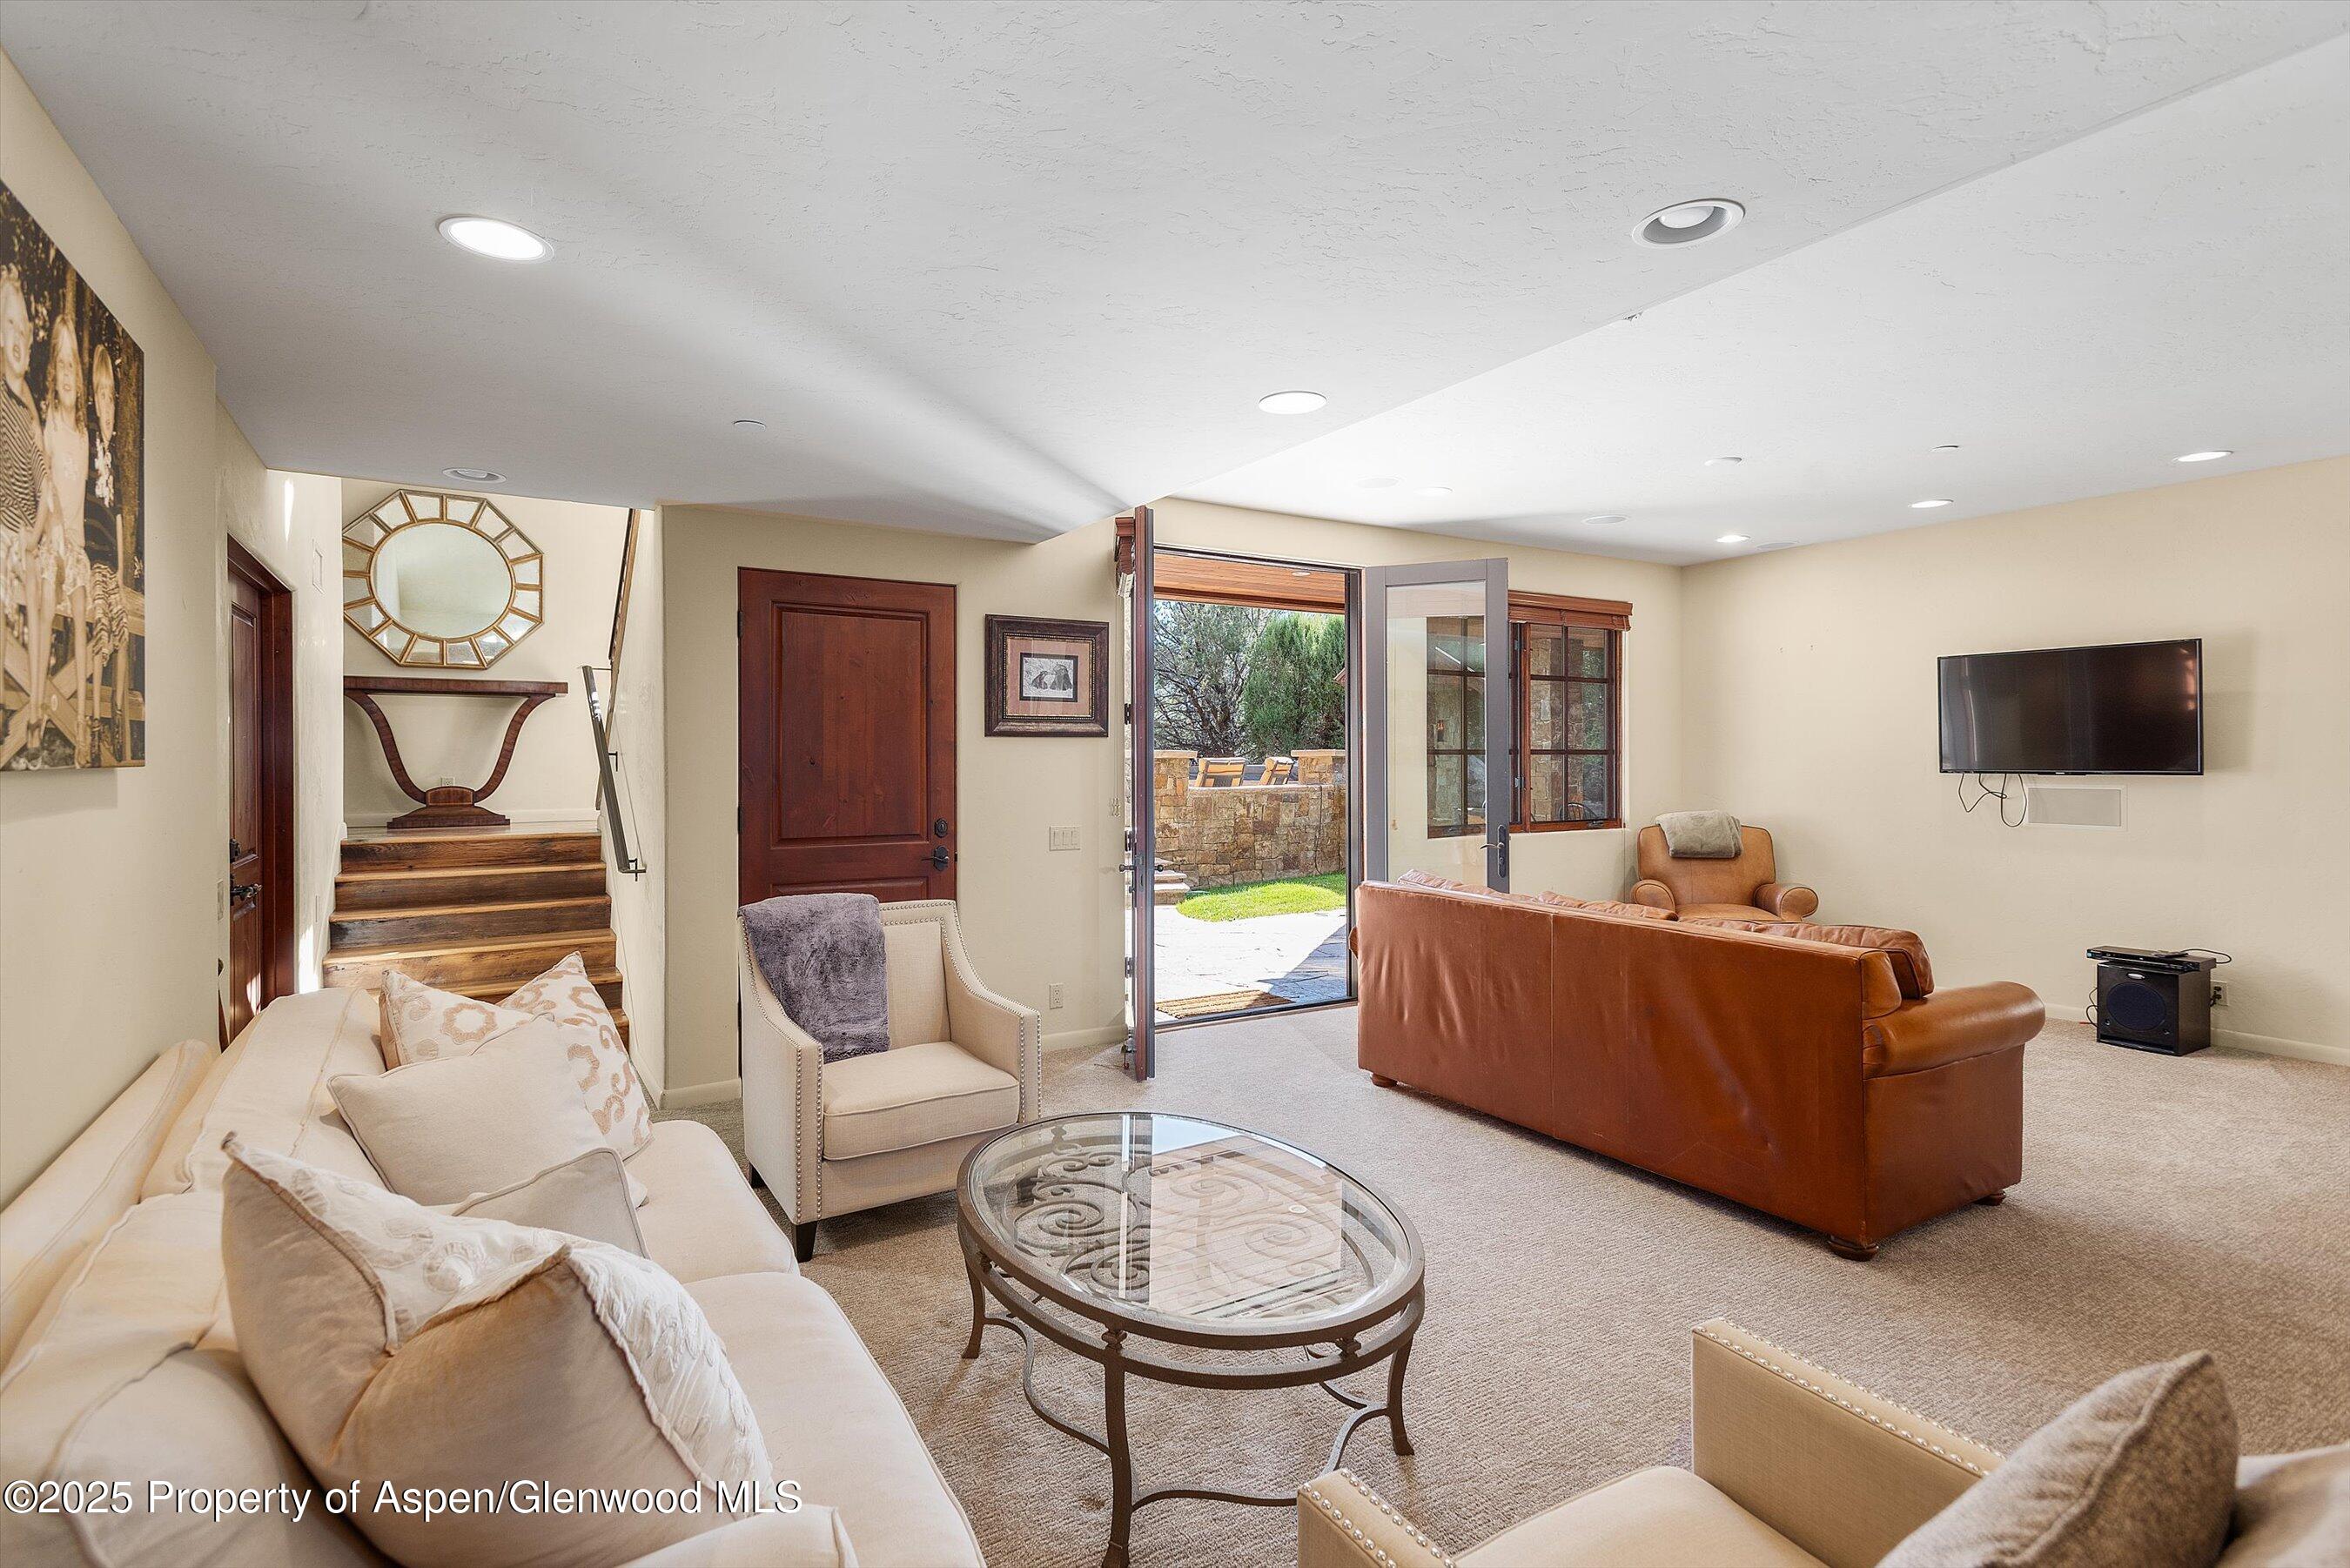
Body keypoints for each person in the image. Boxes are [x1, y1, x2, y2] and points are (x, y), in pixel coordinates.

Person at [31, 310, 92, 763]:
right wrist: (52, 530)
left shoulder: (83, 435)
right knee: (51, 577)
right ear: (55, 371)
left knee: (80, 601)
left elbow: (81, 502)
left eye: (75, 366)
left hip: (76, 541)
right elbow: (48, 488)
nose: (69, 374)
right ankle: (39, 697)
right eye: (63, 365)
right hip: (52, 532)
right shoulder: (51, 421)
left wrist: (77, 545)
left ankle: (82, 715)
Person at [0, 269, 45, 762]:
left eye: (21, 327)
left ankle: (35, 705)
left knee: (35, 582)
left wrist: (31, 535)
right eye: (7, 325)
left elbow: (39, 486)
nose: (16, 336)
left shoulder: (27, 410)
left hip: (21, 533)